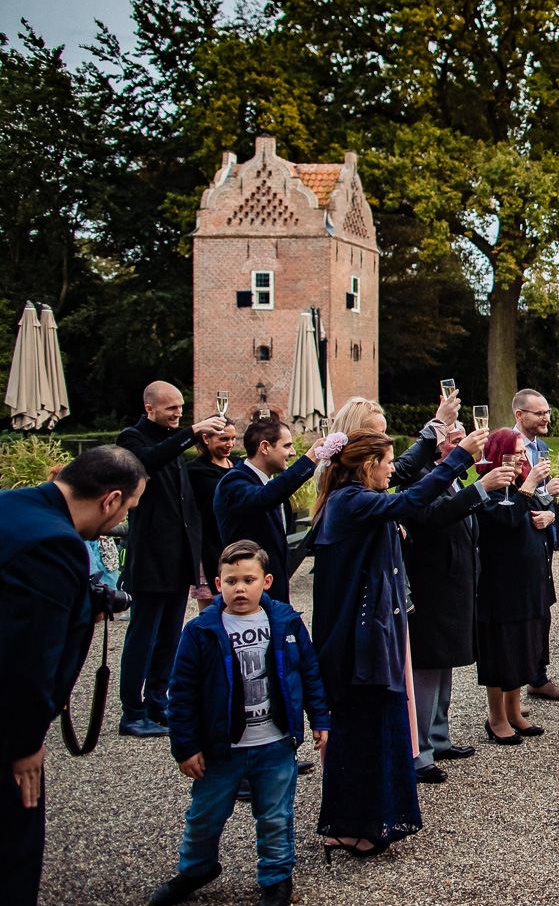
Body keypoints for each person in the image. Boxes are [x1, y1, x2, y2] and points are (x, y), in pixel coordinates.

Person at [310, 425, 487, 860]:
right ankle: (350, 826)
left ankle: (358, 822)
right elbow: (411, 500)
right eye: (388, 463)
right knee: (361, 732)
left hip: (373, 631)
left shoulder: (354, 500)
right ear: (368, 466)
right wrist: (458, 457)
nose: (394, 469)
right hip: (359, 638)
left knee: (373, 729)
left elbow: (397, 505)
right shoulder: (351, 500)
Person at [148, 541, 330, 906]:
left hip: (276, 743)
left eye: (249, 579)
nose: (240, 588)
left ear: (267, 582)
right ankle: (197, 868)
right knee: (204, 816)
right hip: (221, 749)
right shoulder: (200, 631)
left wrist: (319, 719)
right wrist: (185, 747)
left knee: (276, 816)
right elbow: (181, 693)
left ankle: (277, 877)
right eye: (231, 581)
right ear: (218, 583)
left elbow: (309, 672)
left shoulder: (286, 621)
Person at [1, 446, 145, 906]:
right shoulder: (55, 544)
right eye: (127, 509)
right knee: (13, 849)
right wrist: (24, 744)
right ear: (110, 500)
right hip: (6, 731)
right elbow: (27, 661)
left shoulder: (12, 503)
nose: (123, 519)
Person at [395, 421, 513, 782]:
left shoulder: (453, 476)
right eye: (457, 440)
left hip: (455, 582)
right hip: (431, 583)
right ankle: (419, 753)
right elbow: (430, 516)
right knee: (428, 664)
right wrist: (480, 488)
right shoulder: (421, 476)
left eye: (465, 439)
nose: (466, 445)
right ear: (437, 447)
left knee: (445, 661)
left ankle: (439, 737)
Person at [119, 382, 230, 737]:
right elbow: (146, 463)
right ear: (149, 408)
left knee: (169, 634)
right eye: (171, 409)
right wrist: (192, 432)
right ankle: (131, 711)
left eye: (181, 408)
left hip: (178, 555)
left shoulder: (171, 442)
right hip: (151, 554)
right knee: (143, 634)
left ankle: (157, 701)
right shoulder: (132, 439)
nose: (179, 414)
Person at [473, 428, 556, 744]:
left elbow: (537, 511)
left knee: (522, 647)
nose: (523, 457)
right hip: (500, 585)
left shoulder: (520, 486)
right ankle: (496, 717)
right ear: (498, 455)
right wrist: (530, 484)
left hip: (527, 581)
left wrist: (548, 515)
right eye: (516, 452)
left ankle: (515, 710)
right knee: (500, 651)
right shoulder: (489, 489)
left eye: (523, 451)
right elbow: (504, 521)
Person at [510, 388, 559, 702]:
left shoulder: (543, 447)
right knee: (518, 614)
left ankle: (538, 676)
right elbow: (508, 498)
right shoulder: (507, 448)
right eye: (539, 413)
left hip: (541, 538)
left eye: (547, 411)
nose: (546, 417)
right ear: (520, 415)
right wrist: (542, 497)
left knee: (542, 608)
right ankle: (511, 689)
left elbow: (541, 496)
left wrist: (550, 508)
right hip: (517, 540)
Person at [215, 417, 320, 607]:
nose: (292, 452)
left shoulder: (270, 484)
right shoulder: (233, 482)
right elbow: (265, 498)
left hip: (275, 589)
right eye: (286, 446)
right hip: (249, 597)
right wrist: (309, 460)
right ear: (264, 447)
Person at [187, 418, 237, 611]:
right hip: (208, 546)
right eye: (224, 439)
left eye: (233, 438)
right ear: (206, 438)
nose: (230, 444)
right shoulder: (196, 471)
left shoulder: (238, 465)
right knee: (211, 610)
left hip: (234, 543)